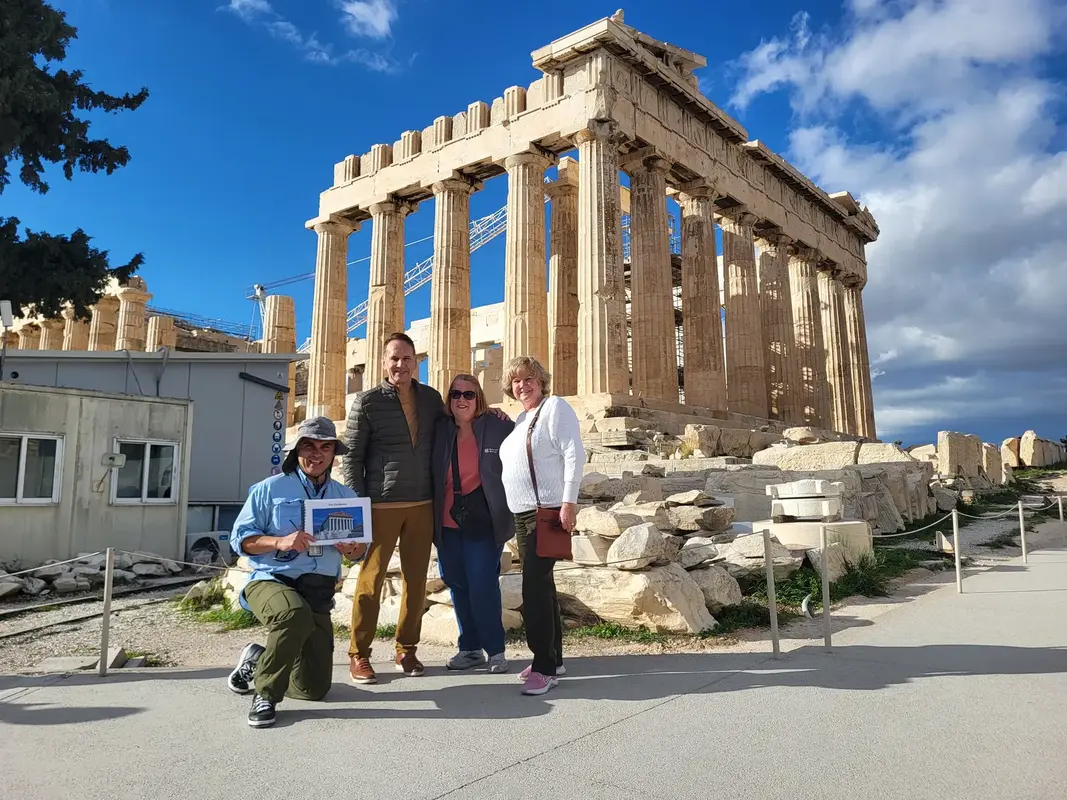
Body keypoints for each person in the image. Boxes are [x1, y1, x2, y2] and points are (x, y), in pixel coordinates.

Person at [226, 417, 367, 728]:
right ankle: (265, 695)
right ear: (295, 451)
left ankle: (259, 658)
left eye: (325, 447)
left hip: (317, 590)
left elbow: (361, 553)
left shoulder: (346, 497)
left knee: (312, 689)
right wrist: (279, 540)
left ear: (333, 454)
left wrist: (350, 549)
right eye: (308, 446)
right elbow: (240, 541)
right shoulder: (268, 489)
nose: (316, 454)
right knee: (293, 615)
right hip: (271, 581)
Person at [342, 332, 445, 683]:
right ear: (384, 362)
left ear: (417, 361)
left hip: (422, 503)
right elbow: (352, 458)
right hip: (381, 504)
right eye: (394, 358)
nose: (400, 365)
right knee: (370, 582)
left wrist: (491, 415)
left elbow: (455, 430)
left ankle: (407, 649)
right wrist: (358, 508)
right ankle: (359, 653)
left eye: (407, 358)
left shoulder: (431, 399)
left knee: (416, 583)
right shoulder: (367, 401)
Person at [498, 356, 585, 696]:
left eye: (529, 378)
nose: (523, 385)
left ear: (541, 380)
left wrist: (568, 502)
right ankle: (554, 658)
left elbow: (573, 453)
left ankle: (544, 666)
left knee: (533, 589)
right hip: (522, 514)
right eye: (517, 380)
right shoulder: (522, 418)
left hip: (545, 511)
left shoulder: (555, 408)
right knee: (544, 587)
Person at [431, 373, 515, 674]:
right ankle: (469, 649)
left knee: (482, 585)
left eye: (469, 394)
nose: (462, 400)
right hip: (447, 521)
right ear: (448, 399)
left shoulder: (498, 425)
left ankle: (495, 649)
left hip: (483, 519)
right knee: (457, 584)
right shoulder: (439, 428)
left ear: (478, 397)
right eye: (456, 394)